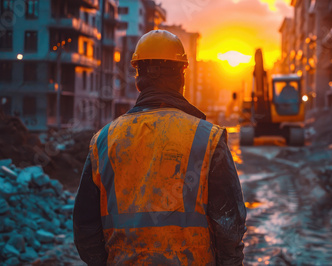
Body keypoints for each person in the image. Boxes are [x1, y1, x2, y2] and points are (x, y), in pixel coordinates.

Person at [73, 30, 247, 265]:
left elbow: (85, 229)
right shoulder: (207, 139)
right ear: (182, 77)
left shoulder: (103, 141)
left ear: (138, 79)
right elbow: (229, 227)